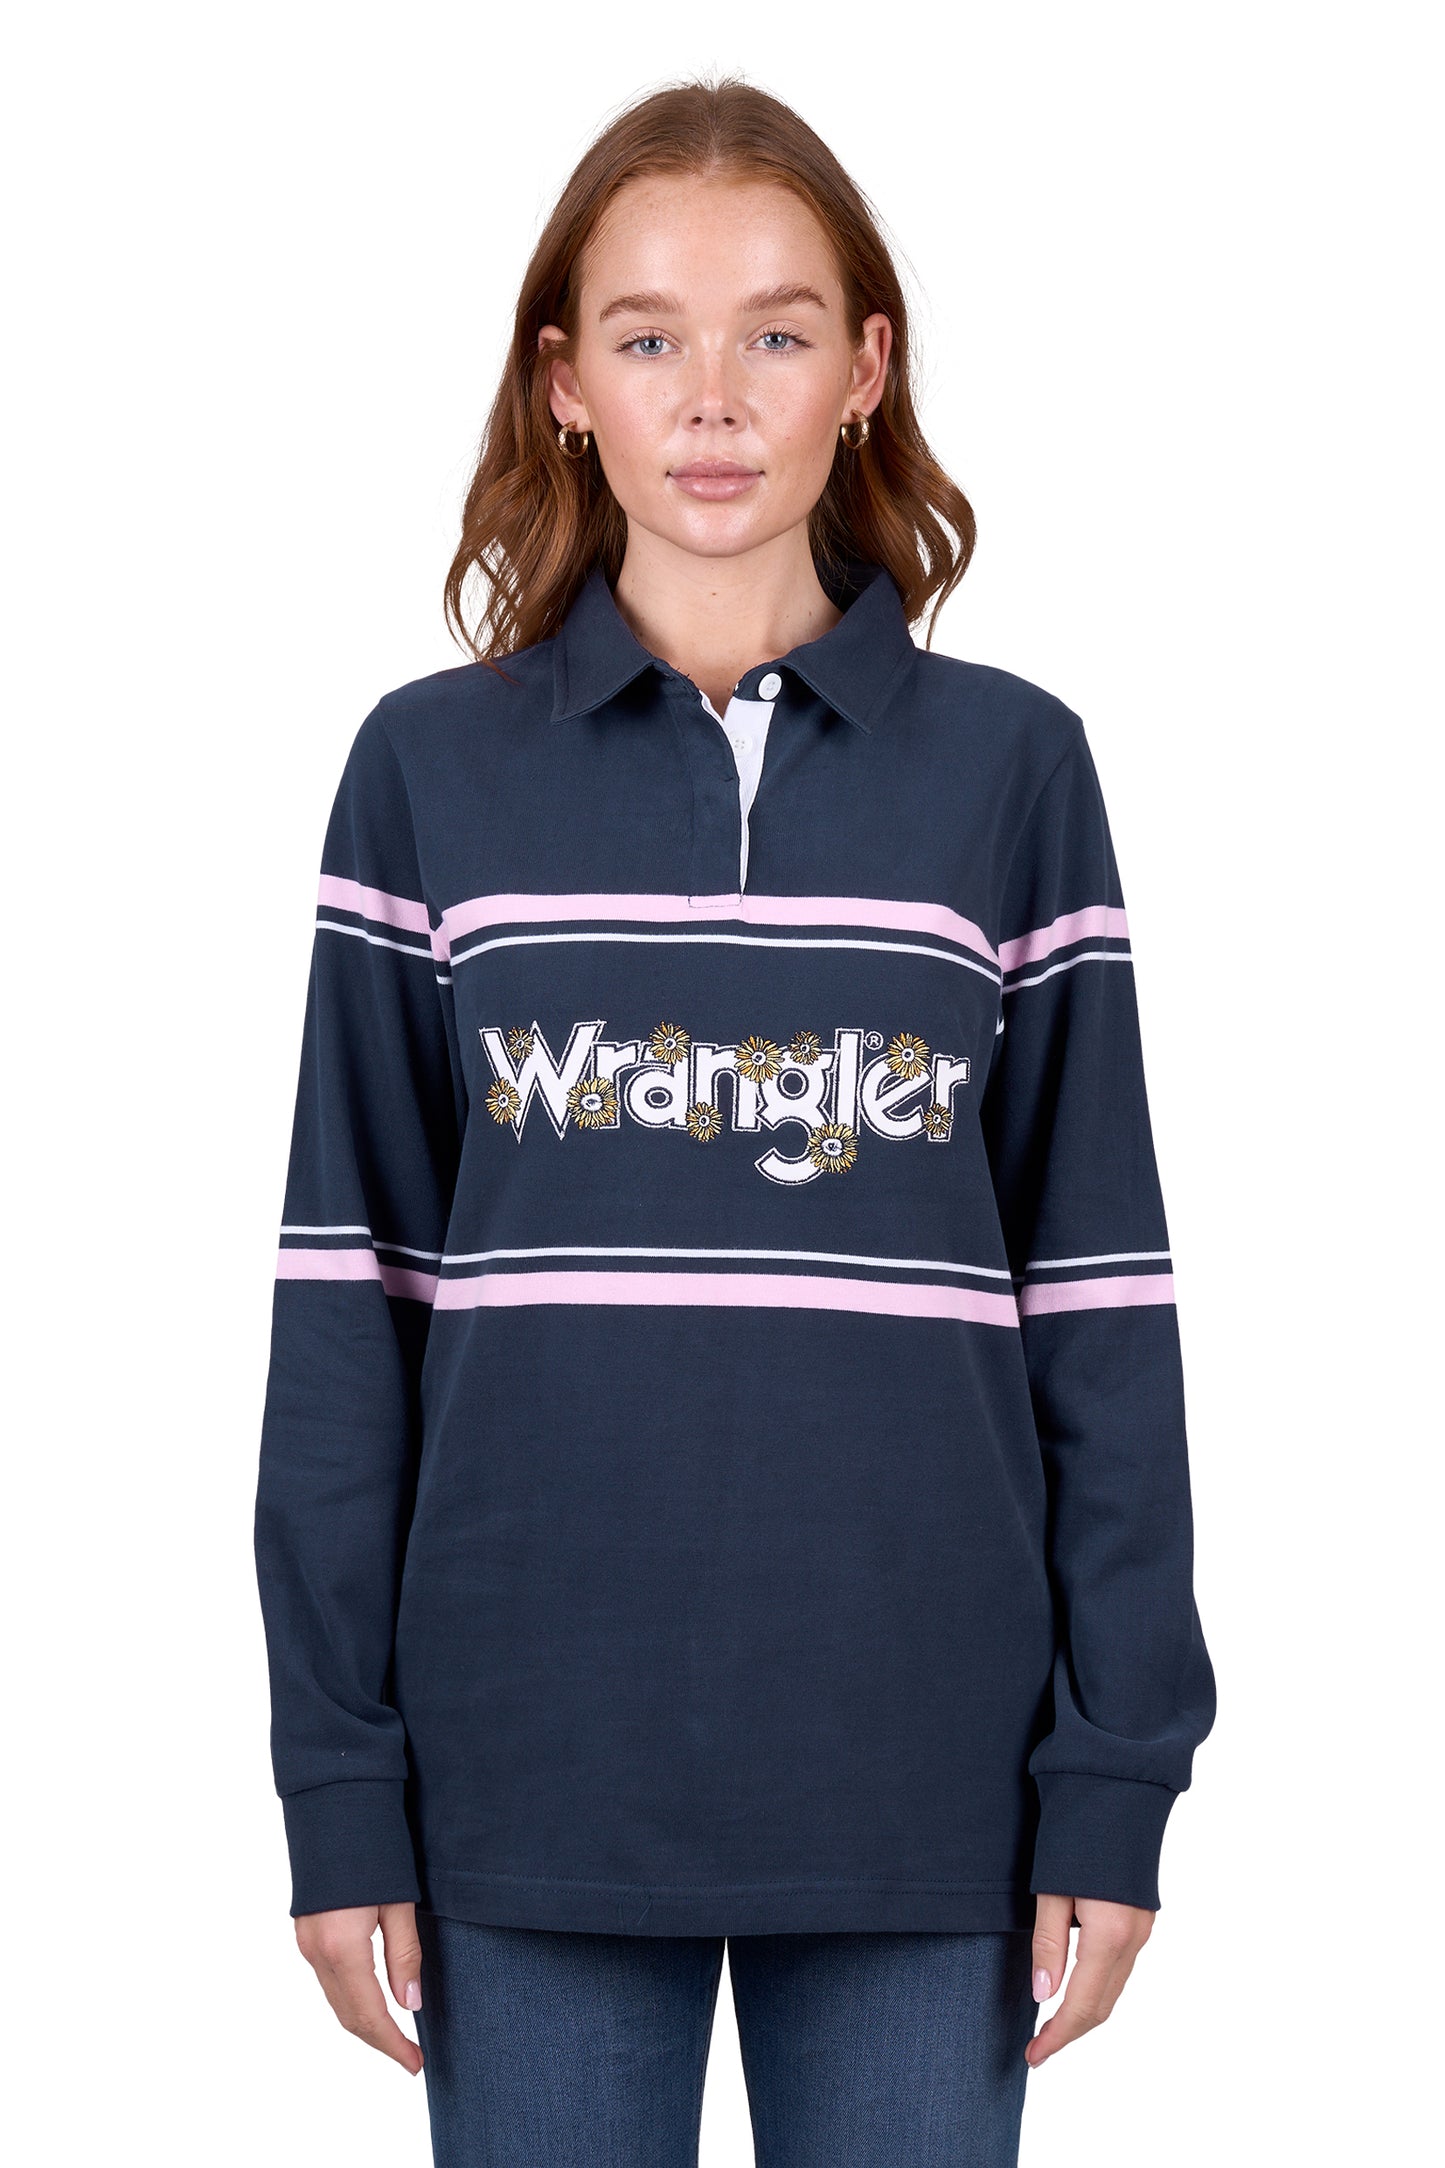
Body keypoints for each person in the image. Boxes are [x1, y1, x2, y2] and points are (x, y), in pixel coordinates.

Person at [252, 74, 1216, 2168]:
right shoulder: (426, 774)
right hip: (522, 1776)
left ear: (864, 371)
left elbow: (1100, 1304)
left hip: (927, 1782)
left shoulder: (1013, 773)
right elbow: (346, 1305)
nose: (712, 398)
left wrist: (1113, 1773)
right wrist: (339, 1785)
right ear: (563, 383)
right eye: (648, 336)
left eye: (776, 332)